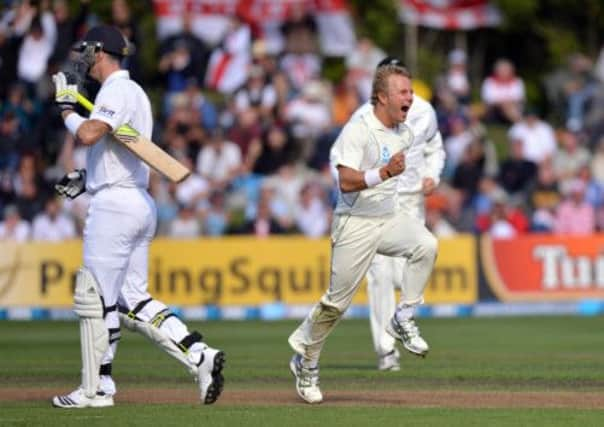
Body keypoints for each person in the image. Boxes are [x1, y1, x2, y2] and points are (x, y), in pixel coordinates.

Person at [50, 25, 224, 409]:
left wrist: (66, 110)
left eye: (86, 51)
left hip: (116, 207)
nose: (81, 59)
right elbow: (122, 147)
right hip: (134, 199)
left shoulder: (117, 90)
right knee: (132, 299)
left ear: (99, 52)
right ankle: (199, 355)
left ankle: (95, 388)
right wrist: (87, 177)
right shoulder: (133, 93)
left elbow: (91, 133)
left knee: (95, 298)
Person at [288, 64, 438, 404]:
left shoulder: (405, 133)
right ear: (382, 97)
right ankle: (306, 362)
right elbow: (346, 181)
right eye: (404, 92)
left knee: (426, 245)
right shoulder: (358, 130)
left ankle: (403, 317)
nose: (410, 98)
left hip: (387, 218)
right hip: (354, 223)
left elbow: (407, 169)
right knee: (335, 304)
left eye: (411, 92)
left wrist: (427, 179)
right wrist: (384, 172)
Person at [349, 57, 445, 372]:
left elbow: (436, 149)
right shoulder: (364, 115)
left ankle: (401, 325)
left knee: (409, 269)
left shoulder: (425, 111)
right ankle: (385, 350)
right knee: (380, 274)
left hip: (411, 200)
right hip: (376, 200)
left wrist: (433, 174)